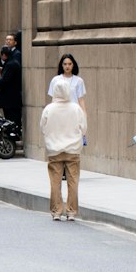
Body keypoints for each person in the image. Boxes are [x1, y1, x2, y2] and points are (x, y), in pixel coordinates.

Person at [40, 75, 87, 220]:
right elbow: (83, 128)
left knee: (55, 181)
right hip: (73, 149)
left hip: (54, 149)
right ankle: (71, 211)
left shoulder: (49, 109)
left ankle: (56, 211)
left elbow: (43, 127)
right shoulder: (76, 108)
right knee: (73, 181)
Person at [0, 35, 23, 127]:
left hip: (10, 97)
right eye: (6, 40)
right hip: (10, 97)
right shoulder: (9, 63)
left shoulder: (14, 60)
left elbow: (5, 80)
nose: (8, 41)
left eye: (10, 40)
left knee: (12, 119)